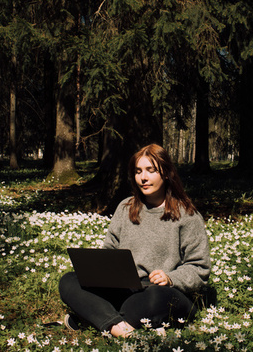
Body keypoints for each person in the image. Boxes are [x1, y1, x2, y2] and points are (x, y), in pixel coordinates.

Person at [58, 143, 212, 338]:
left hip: (161, 291)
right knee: (69, 280)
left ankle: (93, 317)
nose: (143, 178)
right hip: (124, 288)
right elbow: (110, 250)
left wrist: (170, 278)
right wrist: (101, 271)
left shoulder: (187, 215)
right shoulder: (125, 208)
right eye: (138, 171)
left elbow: (200, 268)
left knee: (155, 299)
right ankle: (120, 326)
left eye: (150, 170)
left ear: (165, 173)